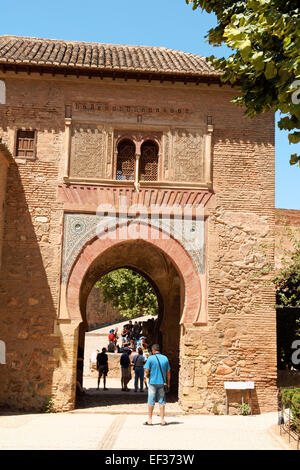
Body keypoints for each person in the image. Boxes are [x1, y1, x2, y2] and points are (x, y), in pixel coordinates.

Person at [144, 344, 171, 426]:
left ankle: (150, 420)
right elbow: (168, 373)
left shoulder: (150, 358)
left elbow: (146, 370)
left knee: (151, 400)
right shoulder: (165, 358)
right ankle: (162, 420)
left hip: (152, 382)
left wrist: (147, 374)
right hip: (162, 382)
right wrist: (168, 383)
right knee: (162, 401)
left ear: (153, 350)